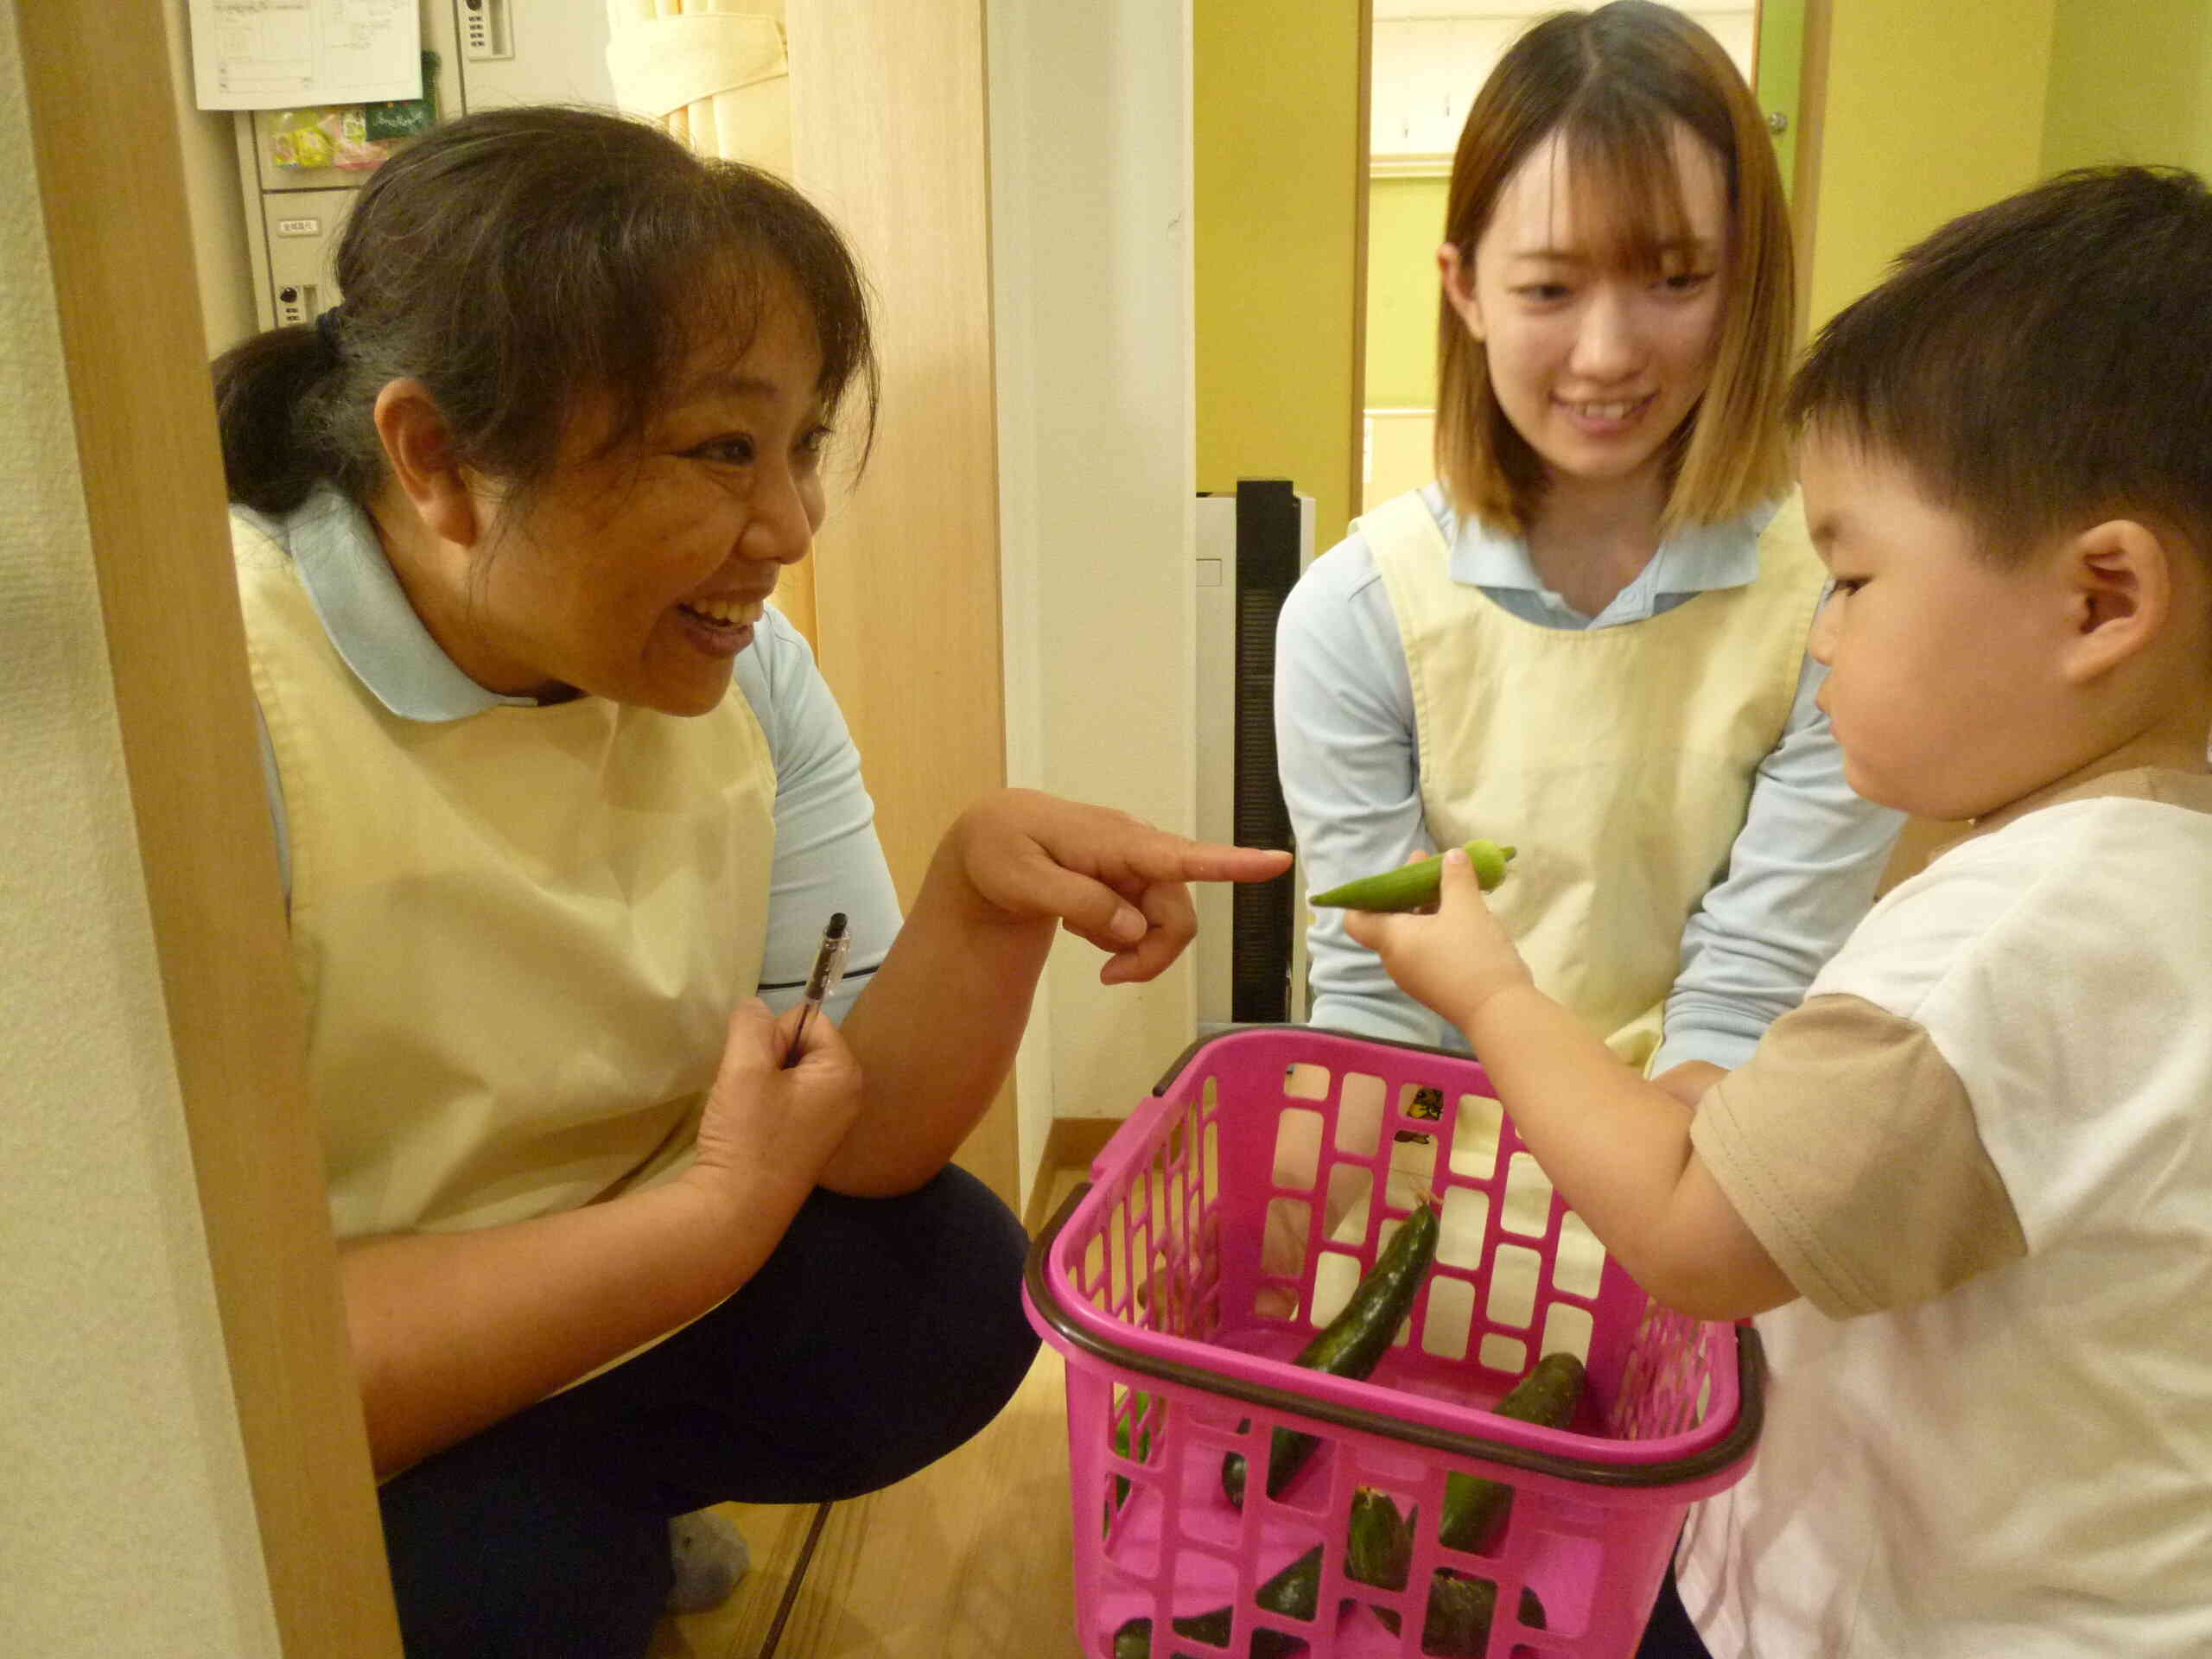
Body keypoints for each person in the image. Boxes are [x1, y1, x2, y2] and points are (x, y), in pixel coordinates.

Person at [212, 105, 1289, 1659]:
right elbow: (226, 1371)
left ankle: (596, 1494)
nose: (788, 527)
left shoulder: (741, 667)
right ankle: (563, 1525)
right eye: (724, 449)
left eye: (795, 448)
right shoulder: (221, 711)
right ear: (436, 459)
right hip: (355, 1379)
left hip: (633, 1272)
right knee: (504, 1600)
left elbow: (863, 1140)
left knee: (949, 1287)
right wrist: (708, 1220)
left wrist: (978, 897)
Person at [1344, 165, 2212, 1656]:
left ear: (2099, 604)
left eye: (1857, 578)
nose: (1821, 636)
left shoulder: (2015, 937)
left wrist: (1492, 993)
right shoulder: (2149, 873)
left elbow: (1693, 1228)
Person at [1274, 2, 1900, 1116]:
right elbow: (1379, 984)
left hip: (1703, 1132)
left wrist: (1649, 1220)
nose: (1607, 355)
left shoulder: (1838, 609)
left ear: (1743, 276)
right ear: (1464, 287)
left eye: (1675, 280)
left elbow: (1753, 983)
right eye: (1550, 289)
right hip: (1434, 1132)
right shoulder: (1357, 614)